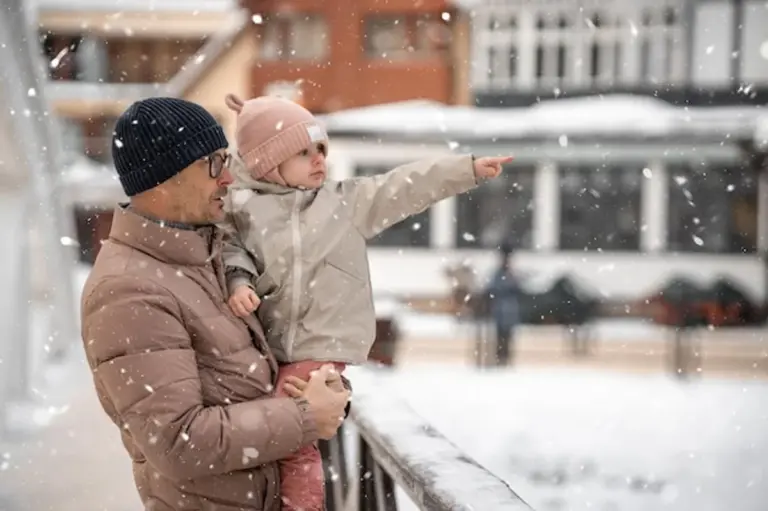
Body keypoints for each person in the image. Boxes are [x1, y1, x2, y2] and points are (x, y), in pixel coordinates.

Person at [220, 93, 512, 510]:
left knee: (294, 437)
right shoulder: (242, 209)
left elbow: (404, 186)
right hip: (264, 349)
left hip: (317, 346)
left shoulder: (343, 204)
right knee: (266, 436)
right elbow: (229, 249)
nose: (319, 160)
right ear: (268, 162)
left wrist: (466, 170)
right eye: (303, 153)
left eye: (321, 150)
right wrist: (238, 282)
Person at [79, 97, 350, 511]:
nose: (227, 177)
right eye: (213, 163)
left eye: (227, 160)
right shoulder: (129, 290)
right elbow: (177, 441)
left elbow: (256, 374)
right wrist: (305, 415)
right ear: (164, 177)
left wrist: (320, 385)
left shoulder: (209, 255)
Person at [486, 244, 521, 366]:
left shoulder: (510, 274)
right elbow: (493, 289)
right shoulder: (500, 274)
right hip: (502, 310)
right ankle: (501, 357)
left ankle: (504, 357)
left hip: (507, 310)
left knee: (507, 336)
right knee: (501, 335)